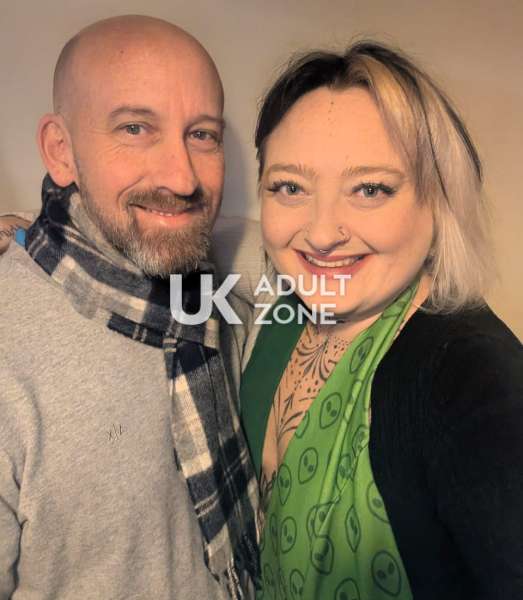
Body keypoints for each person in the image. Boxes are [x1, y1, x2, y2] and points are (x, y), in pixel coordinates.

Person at [239, 42, 523, 599]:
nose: (322, 234)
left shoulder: (471, 378)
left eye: (370, 189)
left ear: (440, 202)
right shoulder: (284, 311)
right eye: (290, 187)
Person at [0, 15, 260, 599]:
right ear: (61, 151)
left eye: (203, 135)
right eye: (136, 128)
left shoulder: (223, 282)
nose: (182, 178)